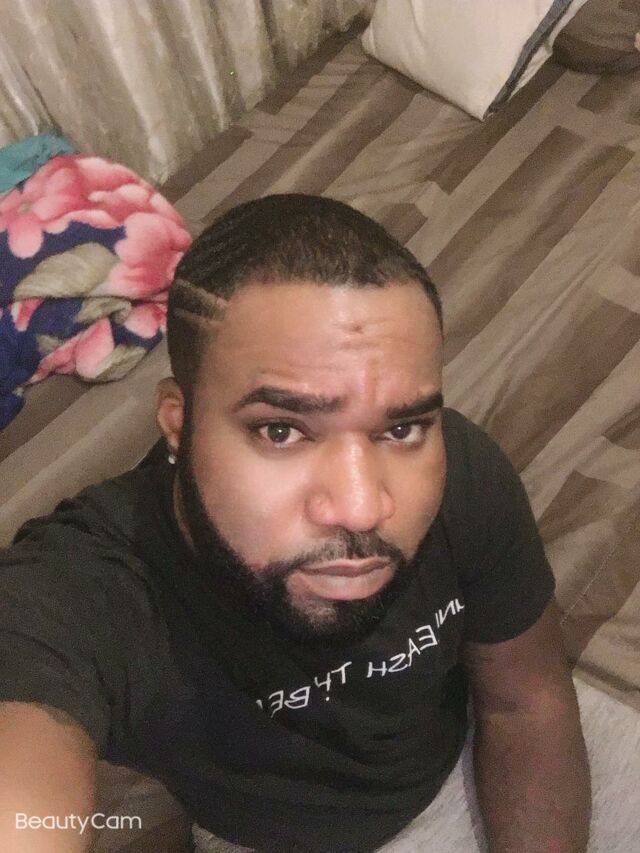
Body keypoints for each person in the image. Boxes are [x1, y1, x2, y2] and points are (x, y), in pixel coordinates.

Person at [0, 194, 590, 852]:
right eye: (280, 430)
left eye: (401, 429)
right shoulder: (84, 594)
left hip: (476, 769)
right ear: (178, 423)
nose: (362, 508)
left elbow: (526, 702)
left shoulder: (464, 474)